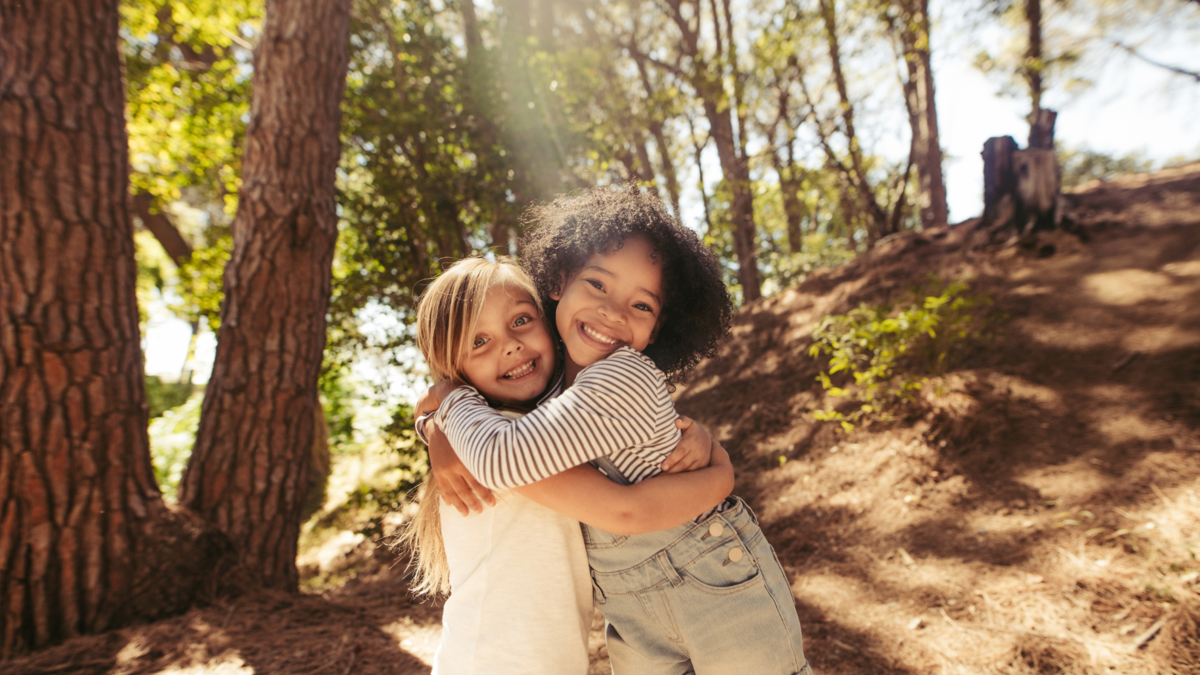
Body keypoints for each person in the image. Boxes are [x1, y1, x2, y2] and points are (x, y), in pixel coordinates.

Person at [423, 188, 813, 675]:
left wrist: (446, 400)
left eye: (642, 306)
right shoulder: (548, 389)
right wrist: (435, 420)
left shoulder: (621, 373)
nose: (614, 313)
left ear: (658, 328)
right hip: (632, 608)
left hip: (711, 580)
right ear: (559, 283)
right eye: (599, 286)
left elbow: (507, 458)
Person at [399, 257, 735, 675]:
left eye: (521, 320)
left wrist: (435, 421)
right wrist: (721, 473)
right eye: (479, 342)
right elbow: (625, 509)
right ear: (454, 367)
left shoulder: (532, 429)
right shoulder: (504, 444)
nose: (509, 345)